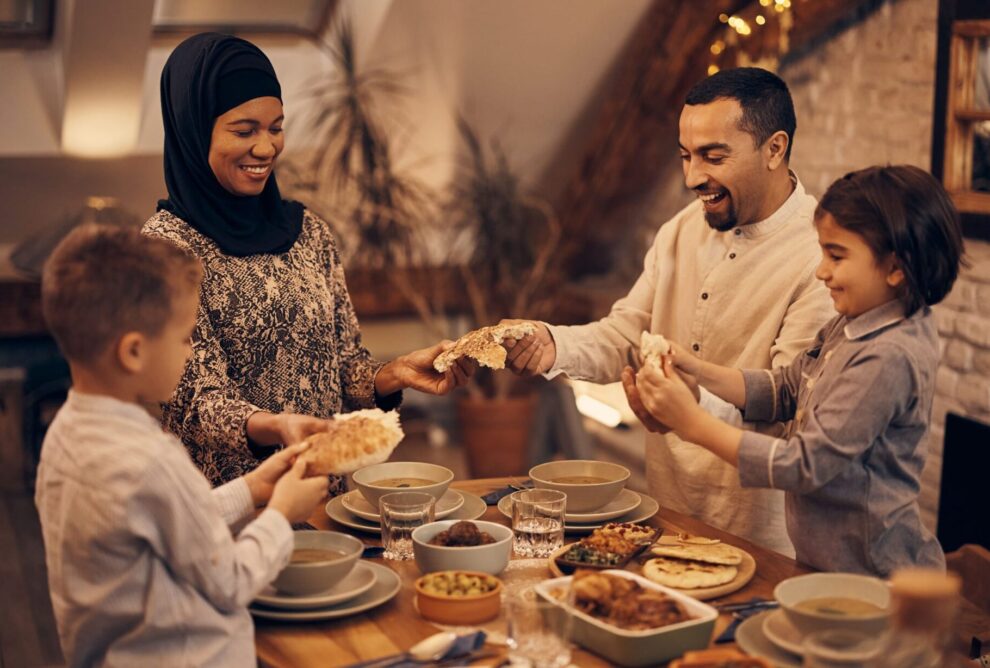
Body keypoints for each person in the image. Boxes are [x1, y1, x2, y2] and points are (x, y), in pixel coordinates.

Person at [505, 68, 834, 554]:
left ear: (775, 149)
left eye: (713, 156)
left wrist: (688, 406)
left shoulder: (821, 257)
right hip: (667, 515)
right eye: (685, 156)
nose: (692, 177)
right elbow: (625, 336)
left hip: (761, 537)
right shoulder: (679, 230)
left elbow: (790, 413)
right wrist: (553, 344)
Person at [143, 33, 473, 487]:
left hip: (322, 495)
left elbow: (342, 367)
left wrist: (392, 374)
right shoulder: (165, 249)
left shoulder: (308, 232)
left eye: (275, 127)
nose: (265, 148)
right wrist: (278, 426)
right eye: (244, 130)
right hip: (230, 513)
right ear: (193, 129)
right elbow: (195, 403)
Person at [636, 165, 962, 575]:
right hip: (822, 568)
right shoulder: (853, 321)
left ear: (897, 267)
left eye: (837, 255)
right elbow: (787, 389)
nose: (822, 270)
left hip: (874, 580)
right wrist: (696, 369)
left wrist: (692, 424)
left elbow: (804, 466)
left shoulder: (890, 355)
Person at [35, 225, 330, 666]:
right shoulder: (150, 458)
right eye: (183, 336)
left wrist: (253, 488)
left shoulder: (64, 437)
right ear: (133, 352)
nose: (190, 352)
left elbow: (172, 526)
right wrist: (281, 513)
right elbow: (230, 579)